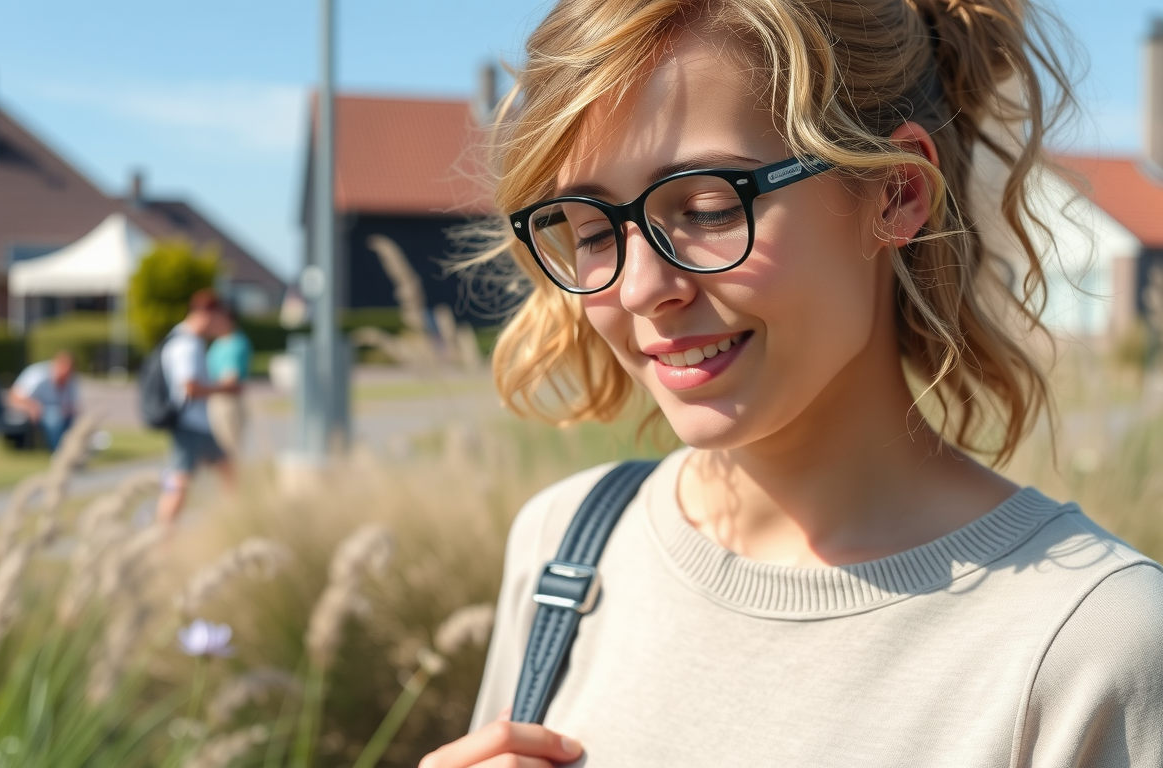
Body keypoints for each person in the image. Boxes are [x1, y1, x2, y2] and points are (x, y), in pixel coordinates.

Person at [421, 1, 1163, 767]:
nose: (642, 288)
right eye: (594, 230)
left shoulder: (1089, 642)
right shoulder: (563, 551)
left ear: (897, 193)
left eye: (708, 206)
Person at [154, 290, 239, 527]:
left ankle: (232, 523)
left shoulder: (184, 339)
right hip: (189, 422)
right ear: (208, 314)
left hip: (197, 423)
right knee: (179, 484)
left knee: (227, 469)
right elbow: (189, 387)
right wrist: (224, 389)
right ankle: (161, 540)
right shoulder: (187, 344)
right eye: (221, 316)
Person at [205, 309, 253, 462]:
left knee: (227, 452)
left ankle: (231, 487)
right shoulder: (220, 342)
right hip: (216, 399)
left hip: (227, 402)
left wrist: (199, 389)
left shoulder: (236, 344)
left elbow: (231, 380)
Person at [8, 350, 79, 452]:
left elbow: (72, 404)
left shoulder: (70, 380)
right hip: (36, 409)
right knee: (54, 419)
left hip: (58, 411)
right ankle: (59, 451)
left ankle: (75, 450)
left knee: (77, 422)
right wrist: (32, 406)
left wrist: (68, 411)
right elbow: (15, 396)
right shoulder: (38, 375)